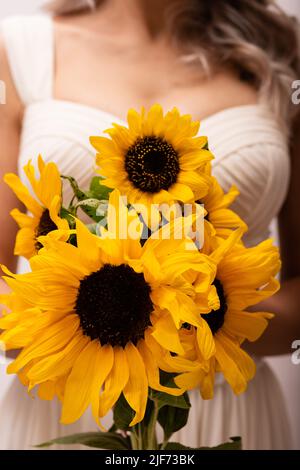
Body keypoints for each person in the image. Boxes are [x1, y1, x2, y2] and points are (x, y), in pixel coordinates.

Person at [0, 0, 299, 450]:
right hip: (68, 401)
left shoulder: (280, 50)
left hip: (225, 406)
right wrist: (96, 322)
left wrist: (197, 319)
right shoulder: (20, 50)